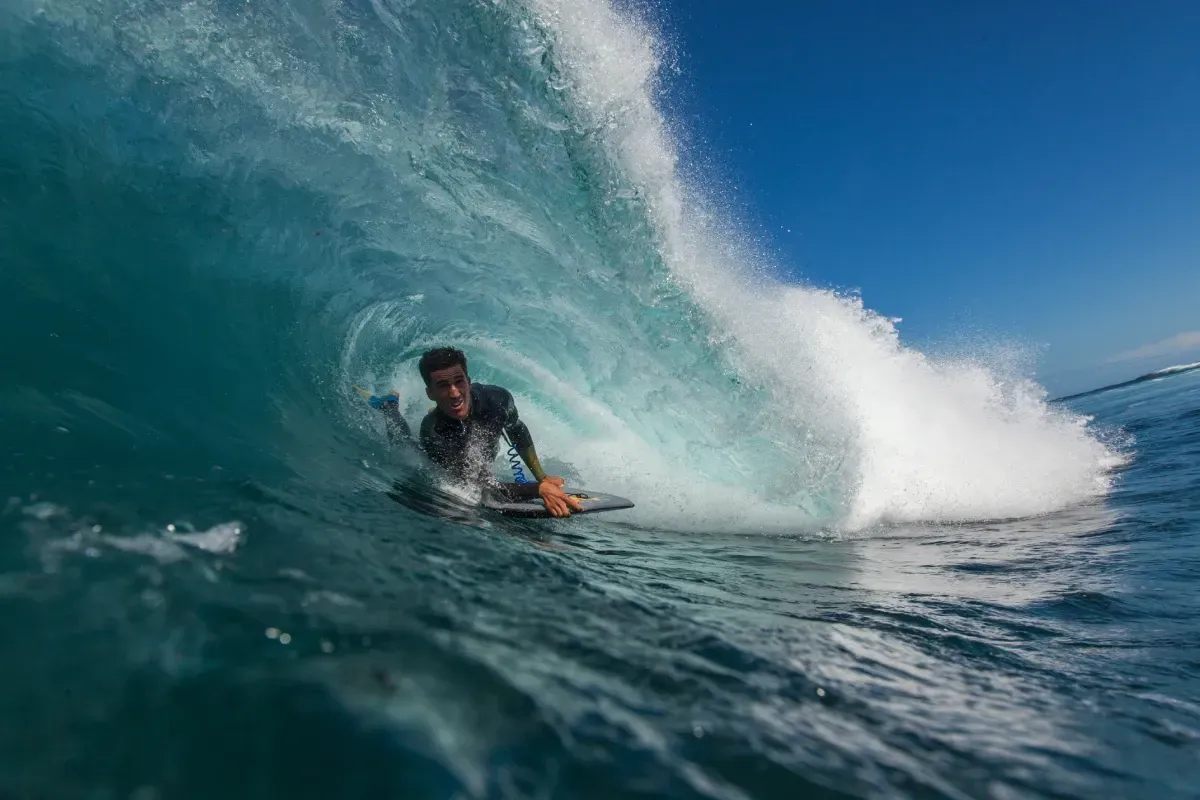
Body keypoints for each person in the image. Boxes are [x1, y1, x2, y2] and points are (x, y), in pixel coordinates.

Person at [366, 346, 584, 518]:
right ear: (430, 393)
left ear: (468, 382)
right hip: (442, 450)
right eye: (442, 385)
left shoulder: (497, 400)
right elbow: (479, 486)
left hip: (463, 420)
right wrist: (538, 489)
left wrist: (542, 477)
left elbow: (517, 429)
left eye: (459, 382)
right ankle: (390, 407)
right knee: (404, 444)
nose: (454, 392)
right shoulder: (434, 432)